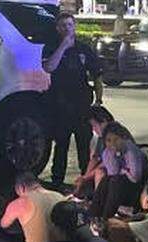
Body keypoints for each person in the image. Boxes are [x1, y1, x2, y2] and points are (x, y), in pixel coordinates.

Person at [44, 12, 104, 187]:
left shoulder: (84, 49)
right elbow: (49, 67)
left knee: (83, 146)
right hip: (60, 105)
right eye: (63, 25)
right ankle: (57, 181)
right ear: (57, 28)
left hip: (82, 105)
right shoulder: (52, 47)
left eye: (70, 25)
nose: (67, 29)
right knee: (61, 144)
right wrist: (63, 46)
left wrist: (98, 100)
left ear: (74, 26)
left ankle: (85, 182)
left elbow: (97, 75)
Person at [90, 122, 148, 221]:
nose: (112, 143)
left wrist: (123, 171)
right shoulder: (107, 153)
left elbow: (135, 177)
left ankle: (106, 219)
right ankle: (93, 216)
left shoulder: (131, 151)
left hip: (136, 191)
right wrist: (113, 155)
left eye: (116, 139)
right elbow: (113, 173)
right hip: (118, 189)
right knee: (106, 180)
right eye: (108, 140)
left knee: (115, 181)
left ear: (123, 138)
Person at [72, 105, 116, 199]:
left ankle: (99, 203)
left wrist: (86, 177)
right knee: (84, 186)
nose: (93, 130)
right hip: (108, 169)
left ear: (103, 121)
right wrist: (85, 177)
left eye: (94, 126)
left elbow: (106, 163)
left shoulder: (114, 135)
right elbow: (95, 158)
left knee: (99, 173)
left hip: (119, 173)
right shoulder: (102, 137)